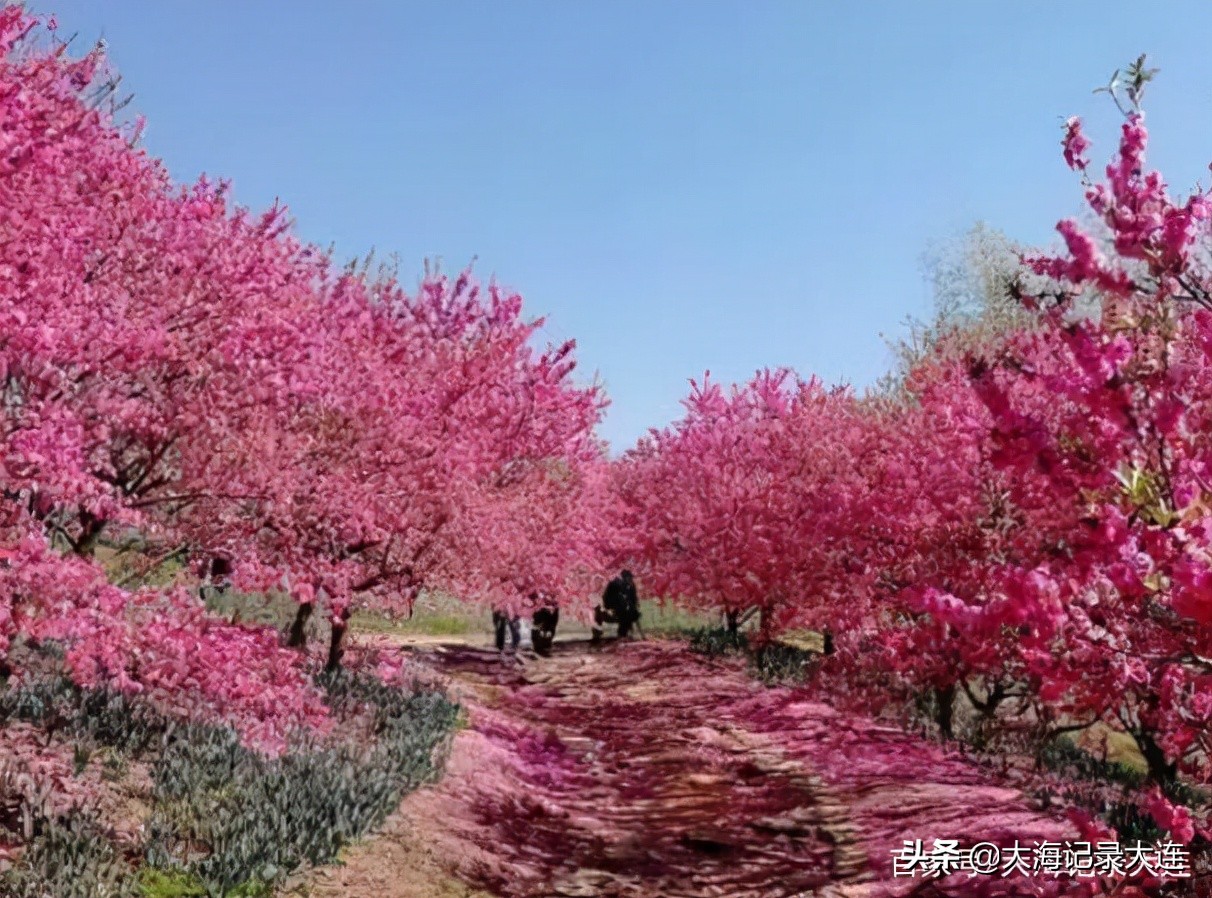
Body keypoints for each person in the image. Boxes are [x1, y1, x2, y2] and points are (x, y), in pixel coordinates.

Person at [593, 570, 641, 642]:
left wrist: (631, 606)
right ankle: (597, 632)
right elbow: (607, 598)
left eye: (630, 578)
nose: (630, 580)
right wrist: (610, 608)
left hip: (625, 611)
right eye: (628, 578)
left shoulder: (631, 585)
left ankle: (623, 634)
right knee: (598, 609)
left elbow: (634, 599)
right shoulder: (614, 584)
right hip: (612, 608)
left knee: (627, 614)